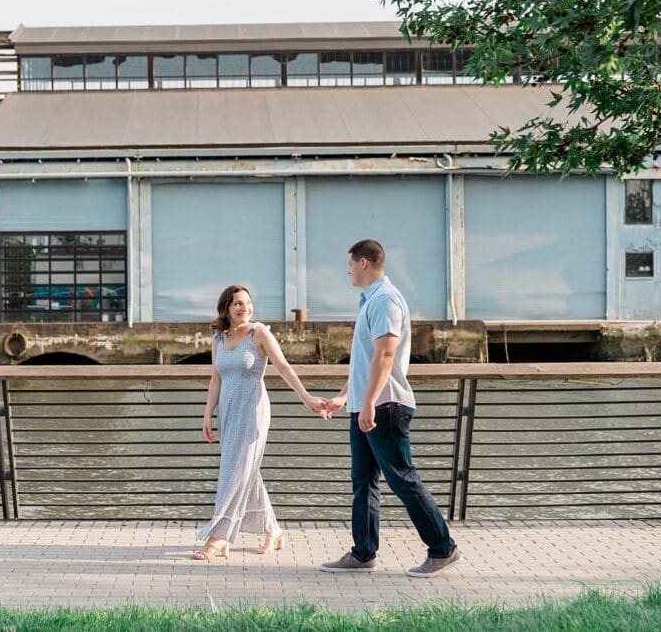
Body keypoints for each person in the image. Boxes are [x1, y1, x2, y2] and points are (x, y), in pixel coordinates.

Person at [320, 239, 462, 577]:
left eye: (350, 264)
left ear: (364, 263)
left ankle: (443, 548)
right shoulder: (371, 301)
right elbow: (366, 361)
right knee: (363, 481)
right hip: (366, 405)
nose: (348, 270)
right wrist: (346, 397)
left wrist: (368, 402)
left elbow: (386, 355)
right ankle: (363, 552)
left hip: (384, 405)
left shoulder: (384, 300)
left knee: (402, 478)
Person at [193, 284, 327, 560]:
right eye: (237, 304)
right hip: (228, 412)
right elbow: (216, 377)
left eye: (247, 302)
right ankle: (274, 530)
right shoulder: (218, 338)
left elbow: (284, 368)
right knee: (246, 471)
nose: (244, 308)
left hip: (253, 411)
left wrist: (306, 398)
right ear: (226, 309)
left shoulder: (259, 334)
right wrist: (207, 413)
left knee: (235, 471)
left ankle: (218, 537)